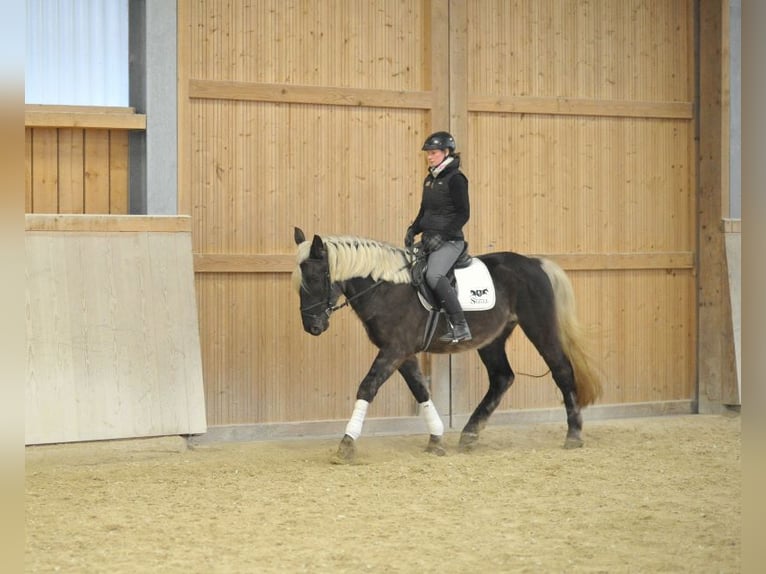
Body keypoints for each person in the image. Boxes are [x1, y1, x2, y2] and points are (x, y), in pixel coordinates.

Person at [404, 131, 472, 343]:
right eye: (428, 154)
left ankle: (460, 325)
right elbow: (424, 211)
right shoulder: (430, 179)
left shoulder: (456, 179)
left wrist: (444, 235)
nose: (429, 157)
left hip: (450, 241)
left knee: (433, 275)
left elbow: (463, 213)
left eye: (433, 153)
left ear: (446, 152)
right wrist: (413, 229)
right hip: (430, 239)